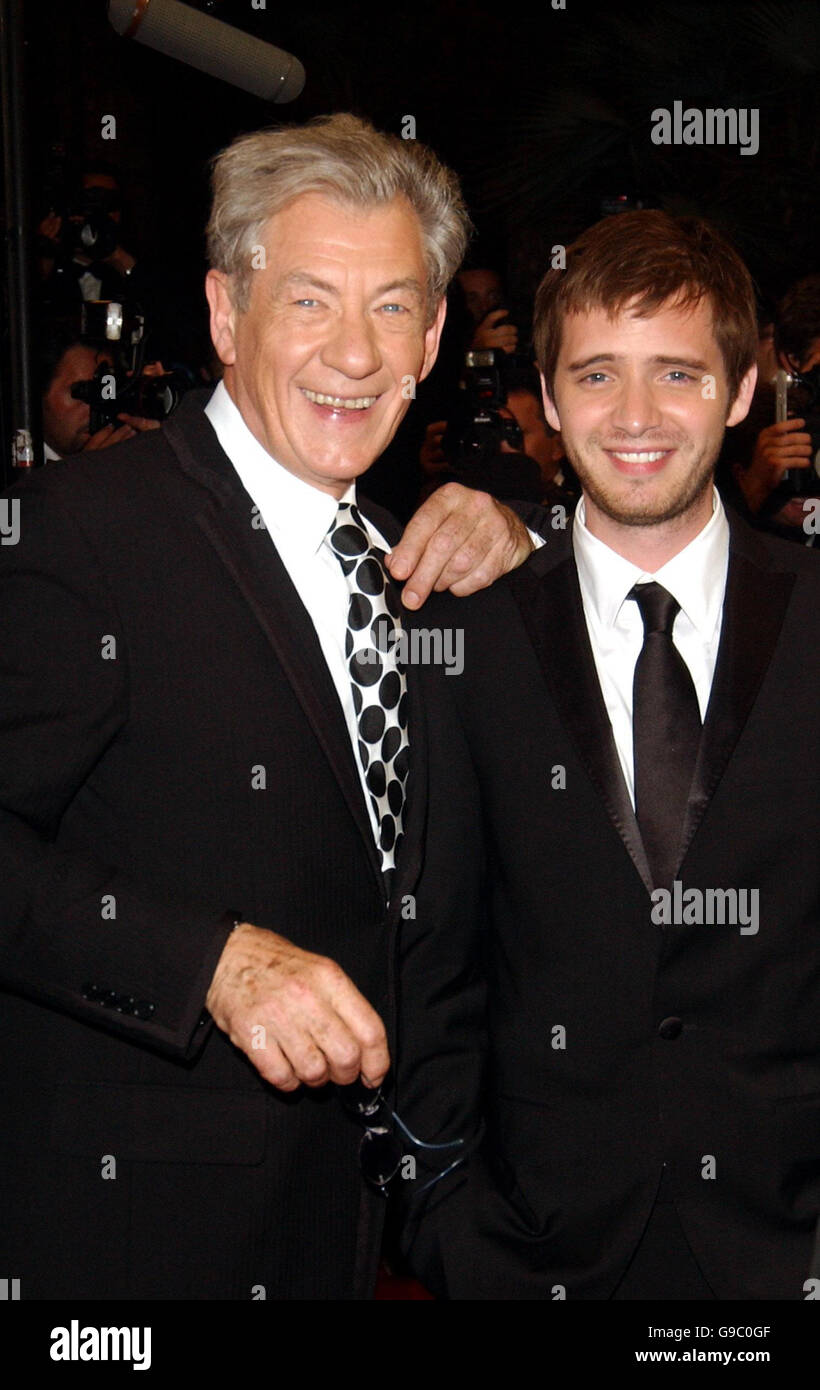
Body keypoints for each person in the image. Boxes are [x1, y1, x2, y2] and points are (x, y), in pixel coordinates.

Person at [0, 114, 534, 1301]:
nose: (354, 352)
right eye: (308, 301)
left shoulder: (427, 564)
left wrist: (533, 536)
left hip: (361, 1236)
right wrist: (211, 967)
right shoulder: (82, 533)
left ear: (436, 334)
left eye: (393, 306)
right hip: (136, 1249)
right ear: (225, 313)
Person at [399, 210, 820, 1300]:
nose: (634, 417)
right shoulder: (463, 643)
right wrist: (451, 1223)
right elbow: (427, 966)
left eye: (676, 373)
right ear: (545, 396)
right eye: (595, 375)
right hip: (539, 1252)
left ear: (740, 391)